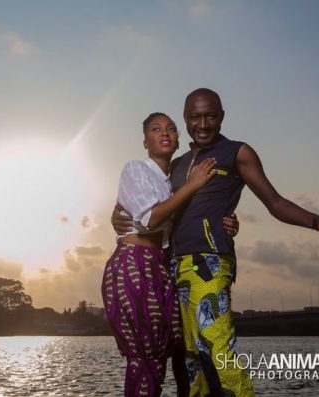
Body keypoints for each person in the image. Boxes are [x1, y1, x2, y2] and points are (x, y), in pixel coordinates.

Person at [112, 89, 319, 397]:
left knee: (217, 351)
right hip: (172, 267)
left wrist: (315, 221)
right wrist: (116, 214)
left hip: (208, 262)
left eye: (211, 116)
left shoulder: (237, 152)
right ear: (186, 119)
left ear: (221, 116)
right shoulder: (177, 165)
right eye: (195, 117)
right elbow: (145, 202)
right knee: (191, 360)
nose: (203, 124)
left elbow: (274, 202)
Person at [102, 112, 239, 397]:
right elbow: (151, 219)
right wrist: (194, 184)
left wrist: (226, 220)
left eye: (171, 129)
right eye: (156, 129)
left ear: (178, 141)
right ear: (145, 141)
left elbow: (189, 217)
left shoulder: (171, 182)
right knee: (146, 358)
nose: (165, 133)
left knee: (180, 351)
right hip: (134, 263)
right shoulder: (136, 169)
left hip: (162, 267)